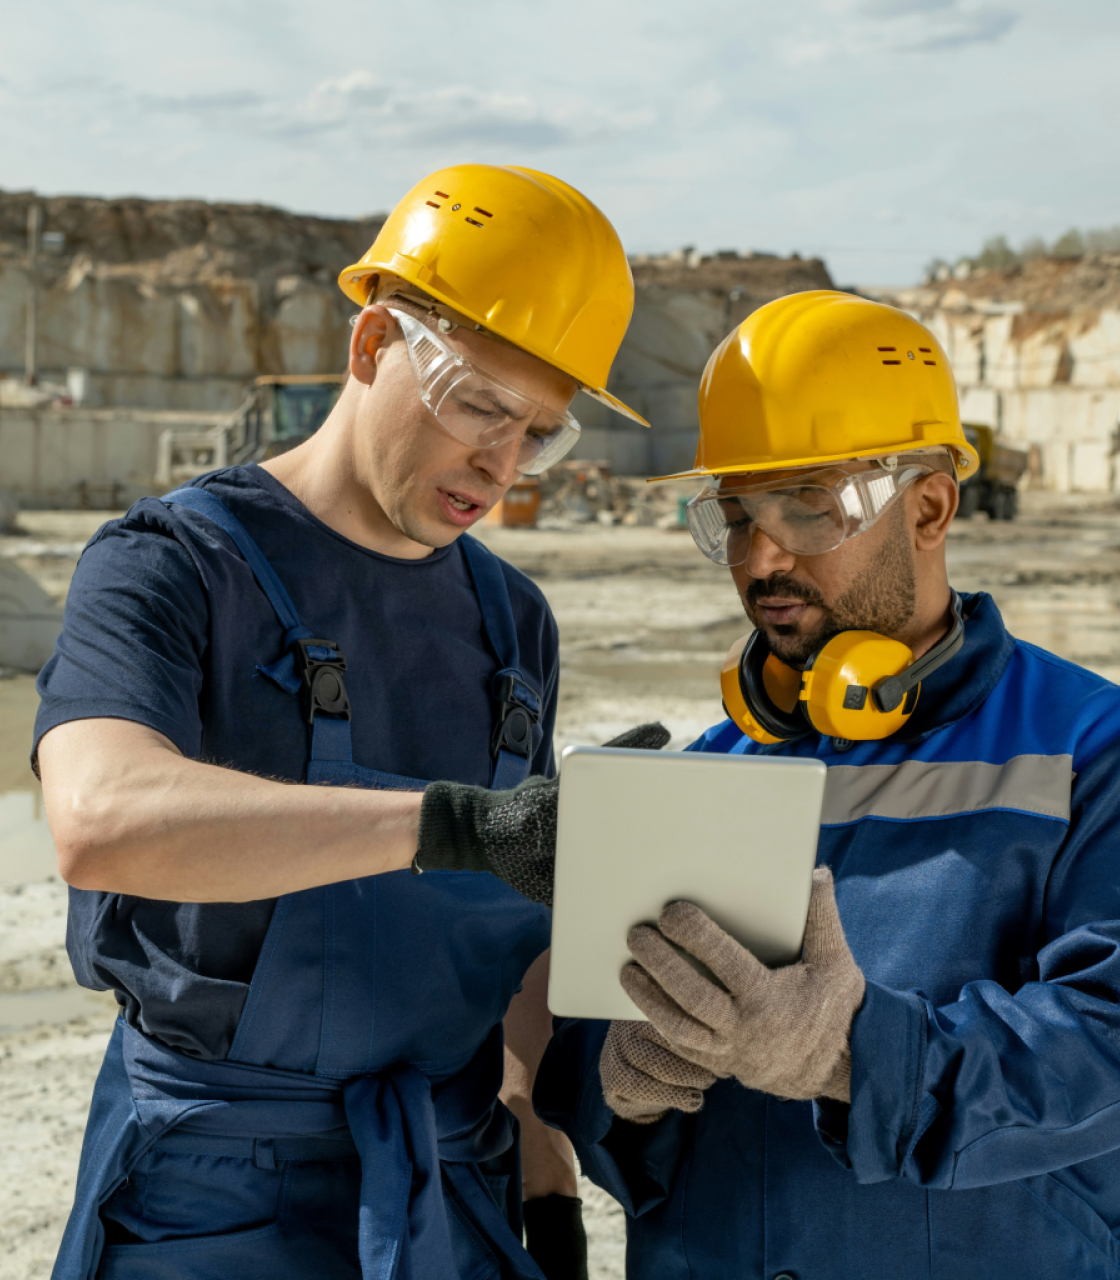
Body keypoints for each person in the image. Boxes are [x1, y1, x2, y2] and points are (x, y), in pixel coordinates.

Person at [36, 162, 658, 1280]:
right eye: (478, 405)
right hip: (210, 1198)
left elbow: (504, 944)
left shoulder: (514, 620)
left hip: (448, 1178)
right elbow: (101, 813)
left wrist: (540, 1160)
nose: (501, 465)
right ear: (371, 346)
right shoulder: (174, 565)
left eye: (540, 435)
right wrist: (455, 824)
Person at [534, 290, 1120, 1279]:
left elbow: (1101, 1045)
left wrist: (851, 1051)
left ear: (930, 505)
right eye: (734, 514)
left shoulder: (1088, 750)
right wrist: (615, 1092)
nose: (762, 558)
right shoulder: (707, 770)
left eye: (809, 503)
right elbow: (600, 1093)